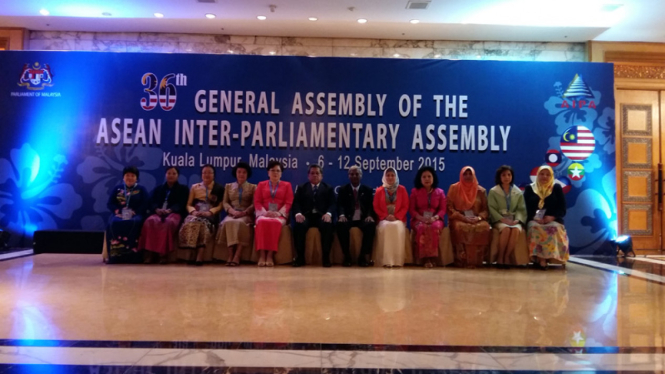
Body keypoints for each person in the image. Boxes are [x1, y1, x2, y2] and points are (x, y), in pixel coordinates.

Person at [138, 166, 189, 264]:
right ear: (165, 175)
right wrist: (157, 209)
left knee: (167, 223)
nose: (171, 176)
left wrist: (170, 210)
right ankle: (150, 253)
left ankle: (163, 255)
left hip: (174, 214)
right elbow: (151, 202)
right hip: (158, 213)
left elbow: (182, 203)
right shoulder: (159, 188)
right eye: (169, 173)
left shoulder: (183, 189)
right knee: (149, 221)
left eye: (174, 174)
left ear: (178, 176)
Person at [524, 165, 569, 270]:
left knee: (553, 228)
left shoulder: (556, 188)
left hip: (553, 219)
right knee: (534, 228)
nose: (544, 177)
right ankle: (541, 259)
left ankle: (549, 257)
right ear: (537, 175)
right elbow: (525, 208)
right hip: (534, 220)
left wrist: (552, 217)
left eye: (548, 174)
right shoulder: (530, 188)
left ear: (552, 176)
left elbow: (562, 209)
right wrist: (534, 218)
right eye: (542, 174)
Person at [179, 164, 224, 266]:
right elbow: (188, 204)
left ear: (214, 175)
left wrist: (210, 212)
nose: (206, 175)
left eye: (209, 172)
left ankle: (200, 254)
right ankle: (190, 252)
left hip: (210, 215)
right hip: (196, 213)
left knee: (202, 223)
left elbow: (221, 206)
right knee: (192, 221)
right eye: (204, 172)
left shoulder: (219, 188)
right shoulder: (195, 187)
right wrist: (193, 212)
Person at [293, 164, 336, 267]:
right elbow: (296, 203)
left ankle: (326, 258)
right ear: (308, 176)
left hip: (321, 216)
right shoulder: (301, 187)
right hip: (306, 216)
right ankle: (300, 257)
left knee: (327, 225)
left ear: (321, 176)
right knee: (299, 226)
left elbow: (333, 204)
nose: (315, 175)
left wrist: (328, 214)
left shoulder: (328, 188)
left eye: (317, 173)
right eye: (312, 173)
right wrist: (298, 214)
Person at [447, 166, 490, 268]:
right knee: (461, 227)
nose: (468, 176)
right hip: (459, 219)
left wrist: (478, 218)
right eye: (465, 174)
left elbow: (485, 210)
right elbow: (449, 208)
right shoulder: (454, 188)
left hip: (476, 219)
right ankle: (462, 261)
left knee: (483, 227)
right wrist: (463, 218)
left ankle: (476, 261)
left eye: (470, 174)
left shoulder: (481, 191)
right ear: (461, 175)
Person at [106, 166, 149, 264]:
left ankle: (132, 255)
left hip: (136, 215)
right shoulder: (117, 189)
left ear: (136, 178)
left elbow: (146, 203)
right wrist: (118, 211)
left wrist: (135, 212)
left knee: (134, 222)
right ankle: (115, 255)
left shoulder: (141, 189)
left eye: (132, 175)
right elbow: (110, 203)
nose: (129, 178)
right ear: (123, 177)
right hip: (120, 214)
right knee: (114, 223)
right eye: (127, 175)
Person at [254, 160, 294, 267]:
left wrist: (279, 213)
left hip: (279, 215)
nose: (275, 173)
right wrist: (264, 212)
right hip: (264, 214)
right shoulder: (261, 185)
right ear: (268, 172)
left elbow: (289, 202)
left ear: (281, 173)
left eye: (278, 171)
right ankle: (262, 254)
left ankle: (270, 255)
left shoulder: (287, 185)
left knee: (275, 223)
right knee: (262, 222)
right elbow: (257, 201)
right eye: (272, 170)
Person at [217, 162, 256, 266]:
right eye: (239, 172)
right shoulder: (228, 186)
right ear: (236, 173)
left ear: (247, 174)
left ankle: (237, 255)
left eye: (244, 172)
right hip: (232, 213)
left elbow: (254, 204)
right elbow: (225, 202)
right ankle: (230, 255)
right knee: (228, 222)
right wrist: (232, 211)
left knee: (239, 223)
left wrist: (244, 212)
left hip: (246, 214)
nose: (241, 174)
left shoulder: (253, 187)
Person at [488, 165, 527, 269]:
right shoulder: (493, 191)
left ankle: (507, 256)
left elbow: (521, 209)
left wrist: (517, 220)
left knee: (515, 230)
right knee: (505, 229)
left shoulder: (517, 192)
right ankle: (500, 257)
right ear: (499, 177)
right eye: (504, 175)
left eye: (509, 175)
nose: (506, 177)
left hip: (514, 220)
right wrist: (503, 219)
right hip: (499, 219)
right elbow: (491, 208)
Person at [336, 165, 376, 267]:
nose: (354, 176)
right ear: (348, 176)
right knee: (340, 225)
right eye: (352, 174)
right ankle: (347, 256)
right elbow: (340, 204)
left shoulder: (367, 190)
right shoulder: (343, 189)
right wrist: (341, 215)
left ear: (361, 176)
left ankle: (363, 257)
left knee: (370, 225)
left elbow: (371, 206)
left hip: (362, 218)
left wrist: (369, 215)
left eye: (357, 174)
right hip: (348, 218)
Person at [409, 166, 447, 268]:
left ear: (433, 178)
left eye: (429, 176)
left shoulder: (440, 192)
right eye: (424, 177)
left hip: (435, 219)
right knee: (422, 227)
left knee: (434, 227)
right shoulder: (414, 192)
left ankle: (432, 258)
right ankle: (425, 258)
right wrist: (421, 218)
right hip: (418, 219)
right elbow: (411, 210)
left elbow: (443, 210)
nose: (427, 179)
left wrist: (434, 218)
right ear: (420, 179)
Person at [373, 167, 409, 268]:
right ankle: (386, 261)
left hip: (398, 219)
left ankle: (397, 261)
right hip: (384, 219)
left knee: (397, 226)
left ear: (396, 176)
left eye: (392, 175)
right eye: (388, 175)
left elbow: (405, 206)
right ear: (385, 177)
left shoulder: (402, 189)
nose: (390, 177)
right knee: (386, 227)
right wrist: (385, 216)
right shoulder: (379, 190)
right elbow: (376, 206)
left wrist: (396, 216)